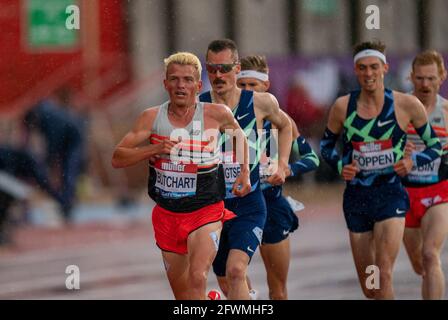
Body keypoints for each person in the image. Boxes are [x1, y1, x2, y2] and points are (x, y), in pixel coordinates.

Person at [111, 52, 251, 300]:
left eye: (187, 80)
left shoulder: (217, 114)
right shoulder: (151, 117)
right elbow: (118, 157)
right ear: (165, 84)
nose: (180, 85)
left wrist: (244, 172)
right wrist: (154, 149)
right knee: (184, 296)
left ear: (198, 86)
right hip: (167, 215)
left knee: (198, 276)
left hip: (205, 211)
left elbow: (240, 139)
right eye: (174, 79)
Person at [320, 41, 442, 299]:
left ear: (385, 68)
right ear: (355, 70)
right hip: (357, 198)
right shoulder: (343, 106)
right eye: (362, 68)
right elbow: (326, 145)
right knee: (370, 286)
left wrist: (412, 162)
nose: (368, 74)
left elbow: (434, 146)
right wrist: (342, 165)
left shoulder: (406, 105)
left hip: (391, 194)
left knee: (384, 272)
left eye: (374, 67)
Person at [199, 39, 292, 300]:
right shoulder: (199, 106)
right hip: (212, 208)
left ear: (237, 68)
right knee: (228, 283)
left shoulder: (261, 102)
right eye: (212, 69)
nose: (218, 75)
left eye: (225, 68)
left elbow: (286, 127)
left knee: (237, 270)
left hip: (249, 204)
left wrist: (282, 164)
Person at [236, 55, 320, 299]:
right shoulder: (224, 118)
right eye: (242, 85)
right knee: (233, 276)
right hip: (237, 206)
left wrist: (286, 169)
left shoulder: (282, 121)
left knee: (278, 289)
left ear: (266, 86)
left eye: (253, 85)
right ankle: (248, 296)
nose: (247, 91)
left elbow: (311, 158)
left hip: (271, 205)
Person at [402, 50, 448, 300]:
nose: (425, 84)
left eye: (431, 78)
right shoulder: (398, 110)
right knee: (419, 263)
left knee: (431, 256)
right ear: (411, 78)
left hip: (439, 192)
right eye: (420, 78)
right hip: (405, 194)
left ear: (442, 76)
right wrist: (398, 150)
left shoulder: (447, 112)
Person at [23, 97, 86, 223]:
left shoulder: (47, 118)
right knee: (66, 172)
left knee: (68, 172)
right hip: (69, 137)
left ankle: (66, 202)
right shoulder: (45, 113)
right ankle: (65, 200)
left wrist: (48, 164)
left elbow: (53, 144)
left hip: (73, 140)